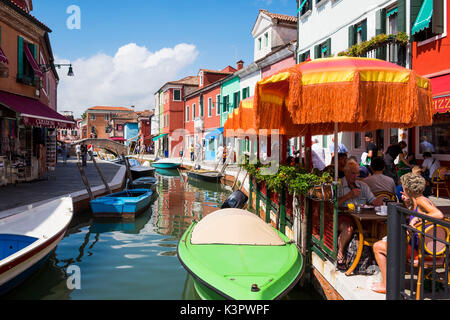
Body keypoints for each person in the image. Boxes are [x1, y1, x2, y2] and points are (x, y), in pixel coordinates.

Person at [372, 173, 443, 294]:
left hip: (419, 251)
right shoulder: (419, 200)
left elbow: (438, 214)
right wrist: (408, 203)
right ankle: (392, 280)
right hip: (421, 247)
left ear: (408, 189)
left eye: (404, 187)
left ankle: (386, 285)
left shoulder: (420, 201)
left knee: (377, 247)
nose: (402, 189)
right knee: (386, 242)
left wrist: (420, 218)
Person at [336, 160, 384, 270]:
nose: (356, 176)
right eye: (353, 173)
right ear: (346, 173)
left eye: (357, 173)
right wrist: (349, 195)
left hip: (362, 217)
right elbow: (335, 204)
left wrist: (380, 201)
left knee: (380, 226)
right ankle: (340, 253)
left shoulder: (363, 186)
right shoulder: (339, 185)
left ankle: (377, 255)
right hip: (343, 216)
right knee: (348, 228)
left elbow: (372, 200)